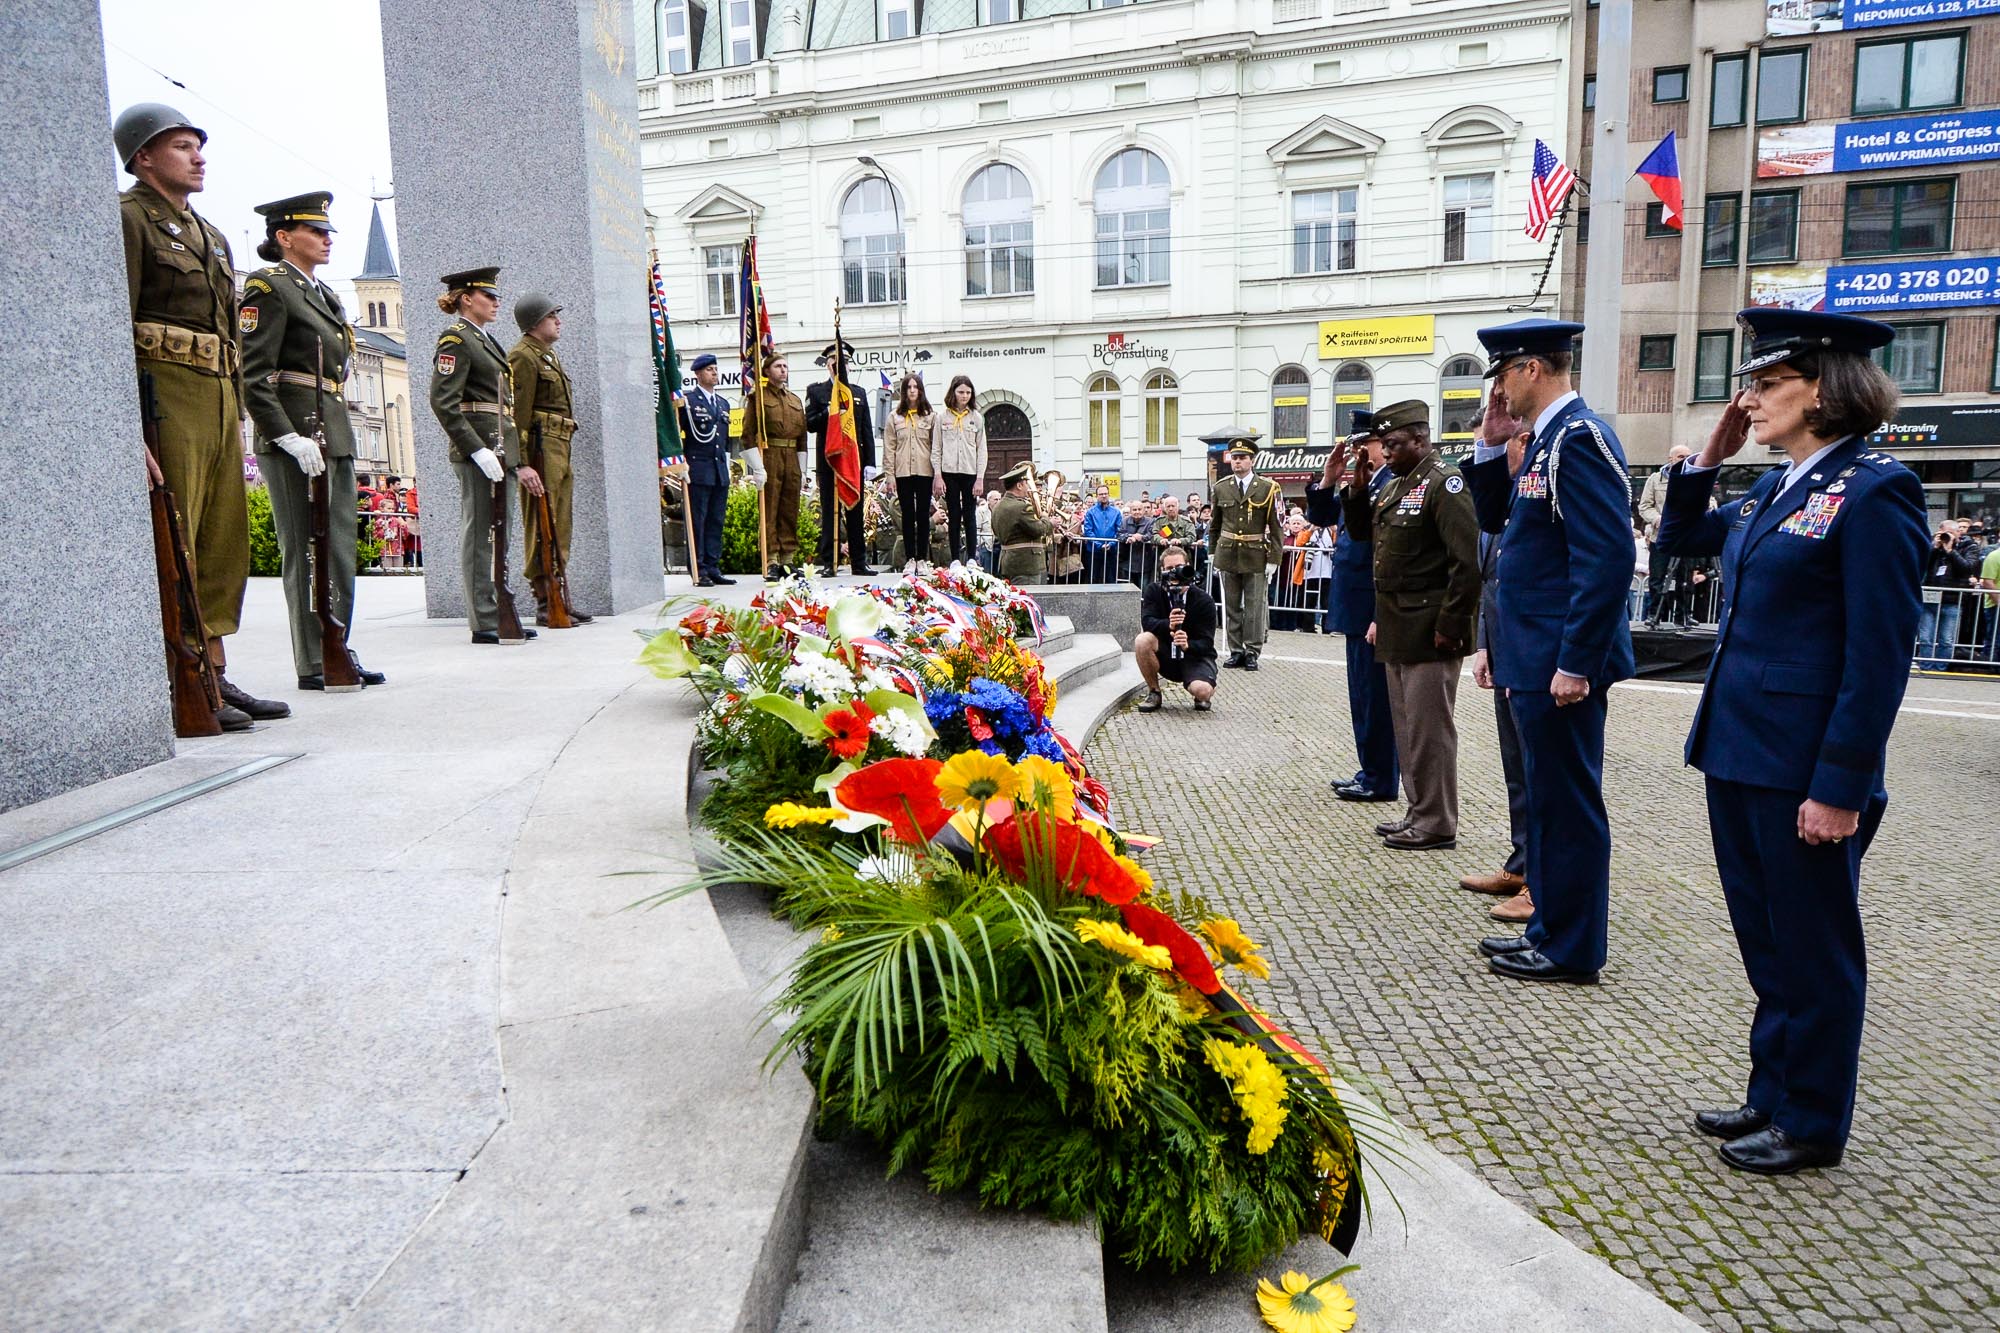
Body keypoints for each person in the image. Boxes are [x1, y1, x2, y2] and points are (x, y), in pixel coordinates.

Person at [1654, 308, 1924, 1175]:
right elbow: (1682, 537)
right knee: (1767, 939)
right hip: (1739, 748)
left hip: (1807, 765)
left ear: (1824, 387)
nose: (1752, 397)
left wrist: (1841, 785)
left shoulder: (1876, 488)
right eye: (1753, 383)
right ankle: (1771, 1089)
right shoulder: (1781, 486)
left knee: (1815, 945)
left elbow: (1878, 654)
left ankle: (1812, 1119)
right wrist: (1709, 458)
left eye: (1769, 384)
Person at [1467, 318, 1634, 985]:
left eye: (1504, 374)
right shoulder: (1546, 441)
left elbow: (1608, 556)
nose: (1500, 391)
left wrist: (1576, 660)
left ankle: (1571, 946)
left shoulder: (1580, 439)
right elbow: (1499, 523)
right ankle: (1548, 928)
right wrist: (1487, 445)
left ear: (1532, 368)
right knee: (1546, 799)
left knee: (1568, 805)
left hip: (1559, 659)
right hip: (1532, 653)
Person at [116, 103, 288, 728]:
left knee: (221, 538)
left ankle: (215, 671)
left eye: (199, 145)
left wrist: (240, 409)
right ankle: (181, 674)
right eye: (183, 146)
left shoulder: (211, 234)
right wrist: (124, 429)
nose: (199, 156)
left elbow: (228, 332)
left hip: (216, 395)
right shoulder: (129, 218)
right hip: (166, 396)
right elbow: (111, 324)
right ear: (144, 157)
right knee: (178, 533)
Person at [238, 191, 386, 690]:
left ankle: (337, 644)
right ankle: (313, 659)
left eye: (327, 232)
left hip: (334, 429)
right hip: (296, 433)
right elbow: (253, 374)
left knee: (339, 548)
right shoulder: (269, 287)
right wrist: (284, 436)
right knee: (304, 547)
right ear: (284, 237)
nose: (326, 240)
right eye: (315, 231)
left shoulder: (324, 295)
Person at [1336, 401, 1480, 852]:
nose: (1387, 452)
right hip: (1399, 625)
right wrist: (1357, 491)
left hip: (1429, 628)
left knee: (1431, 730)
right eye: (1386, 445)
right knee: (1408, 727)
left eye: (1394, 444)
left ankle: (1437, 821)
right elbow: (1365, 536)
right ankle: (1419, 812)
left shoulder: (1445, 484)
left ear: (1420, 439)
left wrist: (1451, 624)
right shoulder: (1400, 484)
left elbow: (1466, 561)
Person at [429, 266, 542, 643]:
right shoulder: (456, 339)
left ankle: (497, 610)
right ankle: (484, 619)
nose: (496, 302)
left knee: (499, 534)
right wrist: (476, 450)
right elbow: (444, 402)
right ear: (466, 298)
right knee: (481, 535)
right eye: (488, 296)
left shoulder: (485, 340)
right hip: (480, 449)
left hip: (498, 449)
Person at [1305, 413, 1398, 803]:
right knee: (1361, 693)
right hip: (1353, 602)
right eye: (1356, 444)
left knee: (1375, 697)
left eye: (1367, 444)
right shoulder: (1362, 482)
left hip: (1371, 605)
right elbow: (1320, 516)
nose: (1360, 451)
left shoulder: (1389, 485)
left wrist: (1381, 613)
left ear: (1382, 445)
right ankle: (1369, 769)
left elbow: (1388, 556)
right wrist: (1329, 478)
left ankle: (1380, 777)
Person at [508, 292, 592, 625]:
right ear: (534, 322)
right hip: (540, 450)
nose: (558, 320)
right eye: (551, 316)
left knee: (559, 524)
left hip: (559, 445)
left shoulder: (547, 356)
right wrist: (521, 463)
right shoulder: (523, 357)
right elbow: (517, 416)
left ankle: (558, 594)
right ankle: (544, 600)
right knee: (541, 525)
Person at [1209, 435, 1285, 670]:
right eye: (1234, 458)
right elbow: (1215, 524)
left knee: (1254, 607)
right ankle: (1236, 650)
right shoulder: (1221, 487)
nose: (1237, 462)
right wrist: (1213, 552)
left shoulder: (1269, 488)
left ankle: (1252, 650)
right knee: (1232, 606)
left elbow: (1277, 526)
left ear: (1252, 460)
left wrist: (1274, 559)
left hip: (1255, 554)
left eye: (1242, 458)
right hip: (1228, 552)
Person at [805, 339, 876, 575]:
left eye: (845, 362)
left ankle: (859, 562)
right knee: (829, 513)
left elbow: (866, 429)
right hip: (829, 461)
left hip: (853, 461)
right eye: (836, 363)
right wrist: (828, 412)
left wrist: (870, 463)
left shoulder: (858, 393)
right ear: (829, 365)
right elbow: (810, 424)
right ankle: (829, 562)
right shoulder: (816, 391)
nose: (841, 367)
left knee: (855, 513)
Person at [741, 352, 807, 579]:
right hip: (770, 456)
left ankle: (788, 560)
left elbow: (803, 439)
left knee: (789, 510)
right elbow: (747, 435)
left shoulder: (795, 400)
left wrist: (803, 468)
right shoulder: (757, 399)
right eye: (778, 366)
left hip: (791, 458)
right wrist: (756, 466)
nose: (783, 370)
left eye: (785, 366)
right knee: (770, 510)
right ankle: (771, 560)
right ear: (767, 371)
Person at [1135, 544, 1218, 713]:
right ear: (1162, 571)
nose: (1175, 573)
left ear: (1188, 567)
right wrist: (1168, 624)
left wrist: (1188, 645)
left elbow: (1207, 642)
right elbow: (1147, 622)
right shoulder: (1154, 591)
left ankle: (1201, 691)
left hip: (1194, 656)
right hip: (1166, 652)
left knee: (1202, 692)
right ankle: (1154, 692)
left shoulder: (1204, 600)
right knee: (1142, 640)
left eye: (1179, 568)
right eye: (1170, 569)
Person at [679, 353, 734, 587]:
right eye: (709, 369)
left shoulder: (723, 403)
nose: (714, 373)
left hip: (719, 468)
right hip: (698, 467)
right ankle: (698, 568)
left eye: (715, 369)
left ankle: (712, 566)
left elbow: (725, 440)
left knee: (716, 520)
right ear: (698, 374)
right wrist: (680, 463)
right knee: (698, 520)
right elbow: (678, 432)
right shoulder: (688, 401)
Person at [930, 375, 987, 564]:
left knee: (969, 514)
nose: (964, 396)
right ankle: (955, 557)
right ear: (953, 392)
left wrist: (980, 478)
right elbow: (936, 448)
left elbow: (982, 450)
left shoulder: (976, 418)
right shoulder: (941, 417)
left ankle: (971, 557)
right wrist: (937, 475)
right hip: (949, 472)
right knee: (954, 514)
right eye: (961, 392)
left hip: (970, 471)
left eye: (968, 393)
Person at [1637, 445, 1694, 628]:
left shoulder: (1696, 478)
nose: (1684, 459)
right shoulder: (1655, 479)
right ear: (1670, 459)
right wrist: (1657, 519)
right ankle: (1655, 614)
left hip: (1686, 536)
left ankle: (1683, 615)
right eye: (1680, 456)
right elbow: (1644, 506)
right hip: (1661, 536)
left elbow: (1709, 500)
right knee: (1658, 577)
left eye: (1688, 456)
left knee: (1685, 578)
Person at [884, 373, 935, 573]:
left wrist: (937, 473)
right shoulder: (895, 417)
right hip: (903, 471)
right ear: (903, 391)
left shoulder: (930, 416)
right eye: (908, 387)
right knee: (907, 515)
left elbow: (935, 446)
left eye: (916, 387)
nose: (912, 390)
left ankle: (922, 558)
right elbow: (890, 447)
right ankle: (910, 558)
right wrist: (889, 475)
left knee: (923, 515)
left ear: (921, 390)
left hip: (924, 471)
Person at [1916, 524, 1977, 666]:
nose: (1947, 536)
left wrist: (1950, 551)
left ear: (1958, 533)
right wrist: (1934, 548)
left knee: (1946, 639)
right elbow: (1920, 565)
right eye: (1944, 532)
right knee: (1925, 637)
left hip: (1952, 599)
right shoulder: (1934, 546)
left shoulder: (1968, 547)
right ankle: (1926, 667)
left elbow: (1967, 568)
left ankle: (1941, 668)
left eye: (1950, 532)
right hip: (1930, 597)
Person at [991, 461, 1052, 584]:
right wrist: (1046, 519)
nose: (1028, 488)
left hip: (1008, 562)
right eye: (1026, 484)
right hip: (1025, 565)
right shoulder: (1021, 506)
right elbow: (1038, 530)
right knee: (1027, 601)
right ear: (1019, 486)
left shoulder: (998, 506)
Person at [1081, 484, 1122, 583]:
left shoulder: (1116, 512)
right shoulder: (1090, 512)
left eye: (1105, 494)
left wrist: (1110, 544)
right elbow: (1088, 531)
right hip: (1094, 550)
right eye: (1101, 494)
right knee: (1093, 578)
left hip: (1111, 550)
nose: (1103, 496)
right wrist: (1100, 545)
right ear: (1097, 496)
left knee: (1111, 578)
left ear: (1109, 495)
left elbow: (1119, 530)